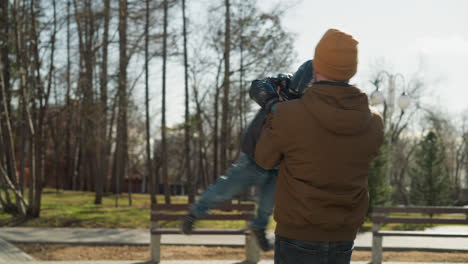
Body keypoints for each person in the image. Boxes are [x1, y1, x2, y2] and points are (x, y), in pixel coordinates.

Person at [255, 29, 384, 264]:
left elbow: (264, 158)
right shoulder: (373, 121)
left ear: (316, 67)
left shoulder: (289, 114)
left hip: (297, 232)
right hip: (344, 235)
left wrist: (273, 107)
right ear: (351, 69)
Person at [180, 60, 314, 251]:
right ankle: (194, 213)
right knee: (223, 190)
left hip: (278, 165)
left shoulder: (311, 106)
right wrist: (272, 103)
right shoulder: (281, 83)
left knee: (268, 204)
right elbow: (256, 86)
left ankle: (258, 227)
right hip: (253, 157)